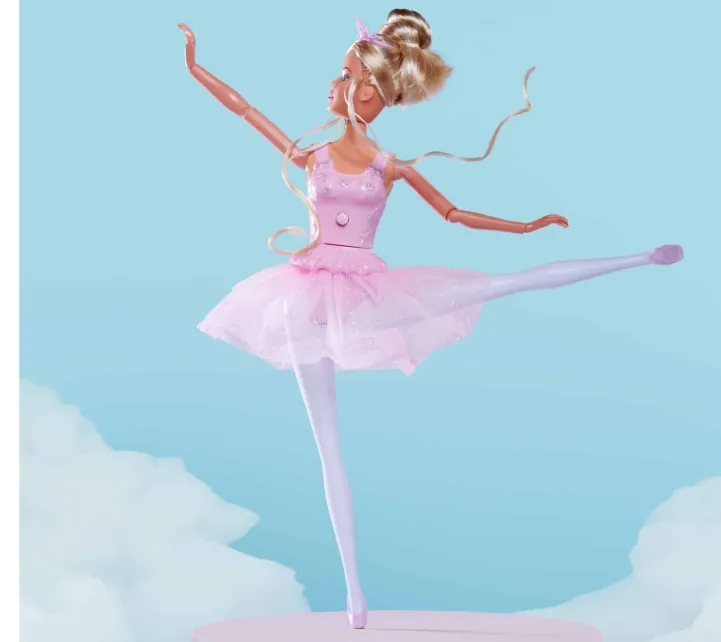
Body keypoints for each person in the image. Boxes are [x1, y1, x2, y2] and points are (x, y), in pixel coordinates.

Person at [178, 9, 683, 629]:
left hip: (367, 292)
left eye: (344, 75)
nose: (333, 85)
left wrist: (525, 225)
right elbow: (246, 111)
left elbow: (455, 214)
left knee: (500, 284)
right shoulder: (312, 156)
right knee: (327, 443)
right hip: (304, 297)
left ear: (369, 91)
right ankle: (354, 590)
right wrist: (196, 66)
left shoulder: (390, 167)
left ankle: (637, 258)